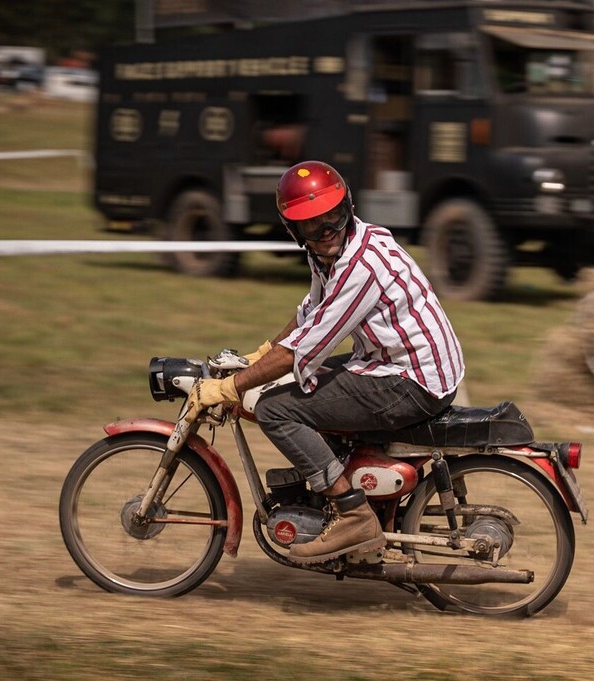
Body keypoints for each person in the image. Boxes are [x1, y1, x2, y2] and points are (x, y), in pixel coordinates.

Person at [185, 160, 465, 563]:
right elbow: (309, 314)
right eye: (311, 225)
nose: (326, 230)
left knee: (275, 408)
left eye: (332, 216)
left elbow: (305, 349)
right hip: (394, 359)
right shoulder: (332, 251)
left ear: (347, 206)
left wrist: (230, 387)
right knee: (293, 385)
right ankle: (337, 490)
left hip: (412, 379)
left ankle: (353, 515)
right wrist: (259, 355)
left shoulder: (360, 265)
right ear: (294, 231)